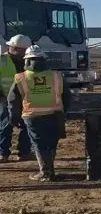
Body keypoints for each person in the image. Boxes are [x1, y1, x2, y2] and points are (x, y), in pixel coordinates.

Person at [9, 45, 71, 181]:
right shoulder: (56, 76)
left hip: (32, 116)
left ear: (26, 60)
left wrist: (14, 117)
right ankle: (49, 171)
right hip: (55, 114)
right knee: (51, 143)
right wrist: (64, 112)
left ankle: (46, 172)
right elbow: (67, 96)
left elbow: (13, 100)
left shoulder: (21, 78)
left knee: (39, 144)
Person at [0, 34, 32, 162]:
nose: (25, 52)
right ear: (15, 48)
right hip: (6, 99)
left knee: (27, 126)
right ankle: (3, 153)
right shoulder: (2, 60)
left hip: (26, 99)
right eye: (23, 49)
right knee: (5, 126)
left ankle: (24, 152)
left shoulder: (29, 60)